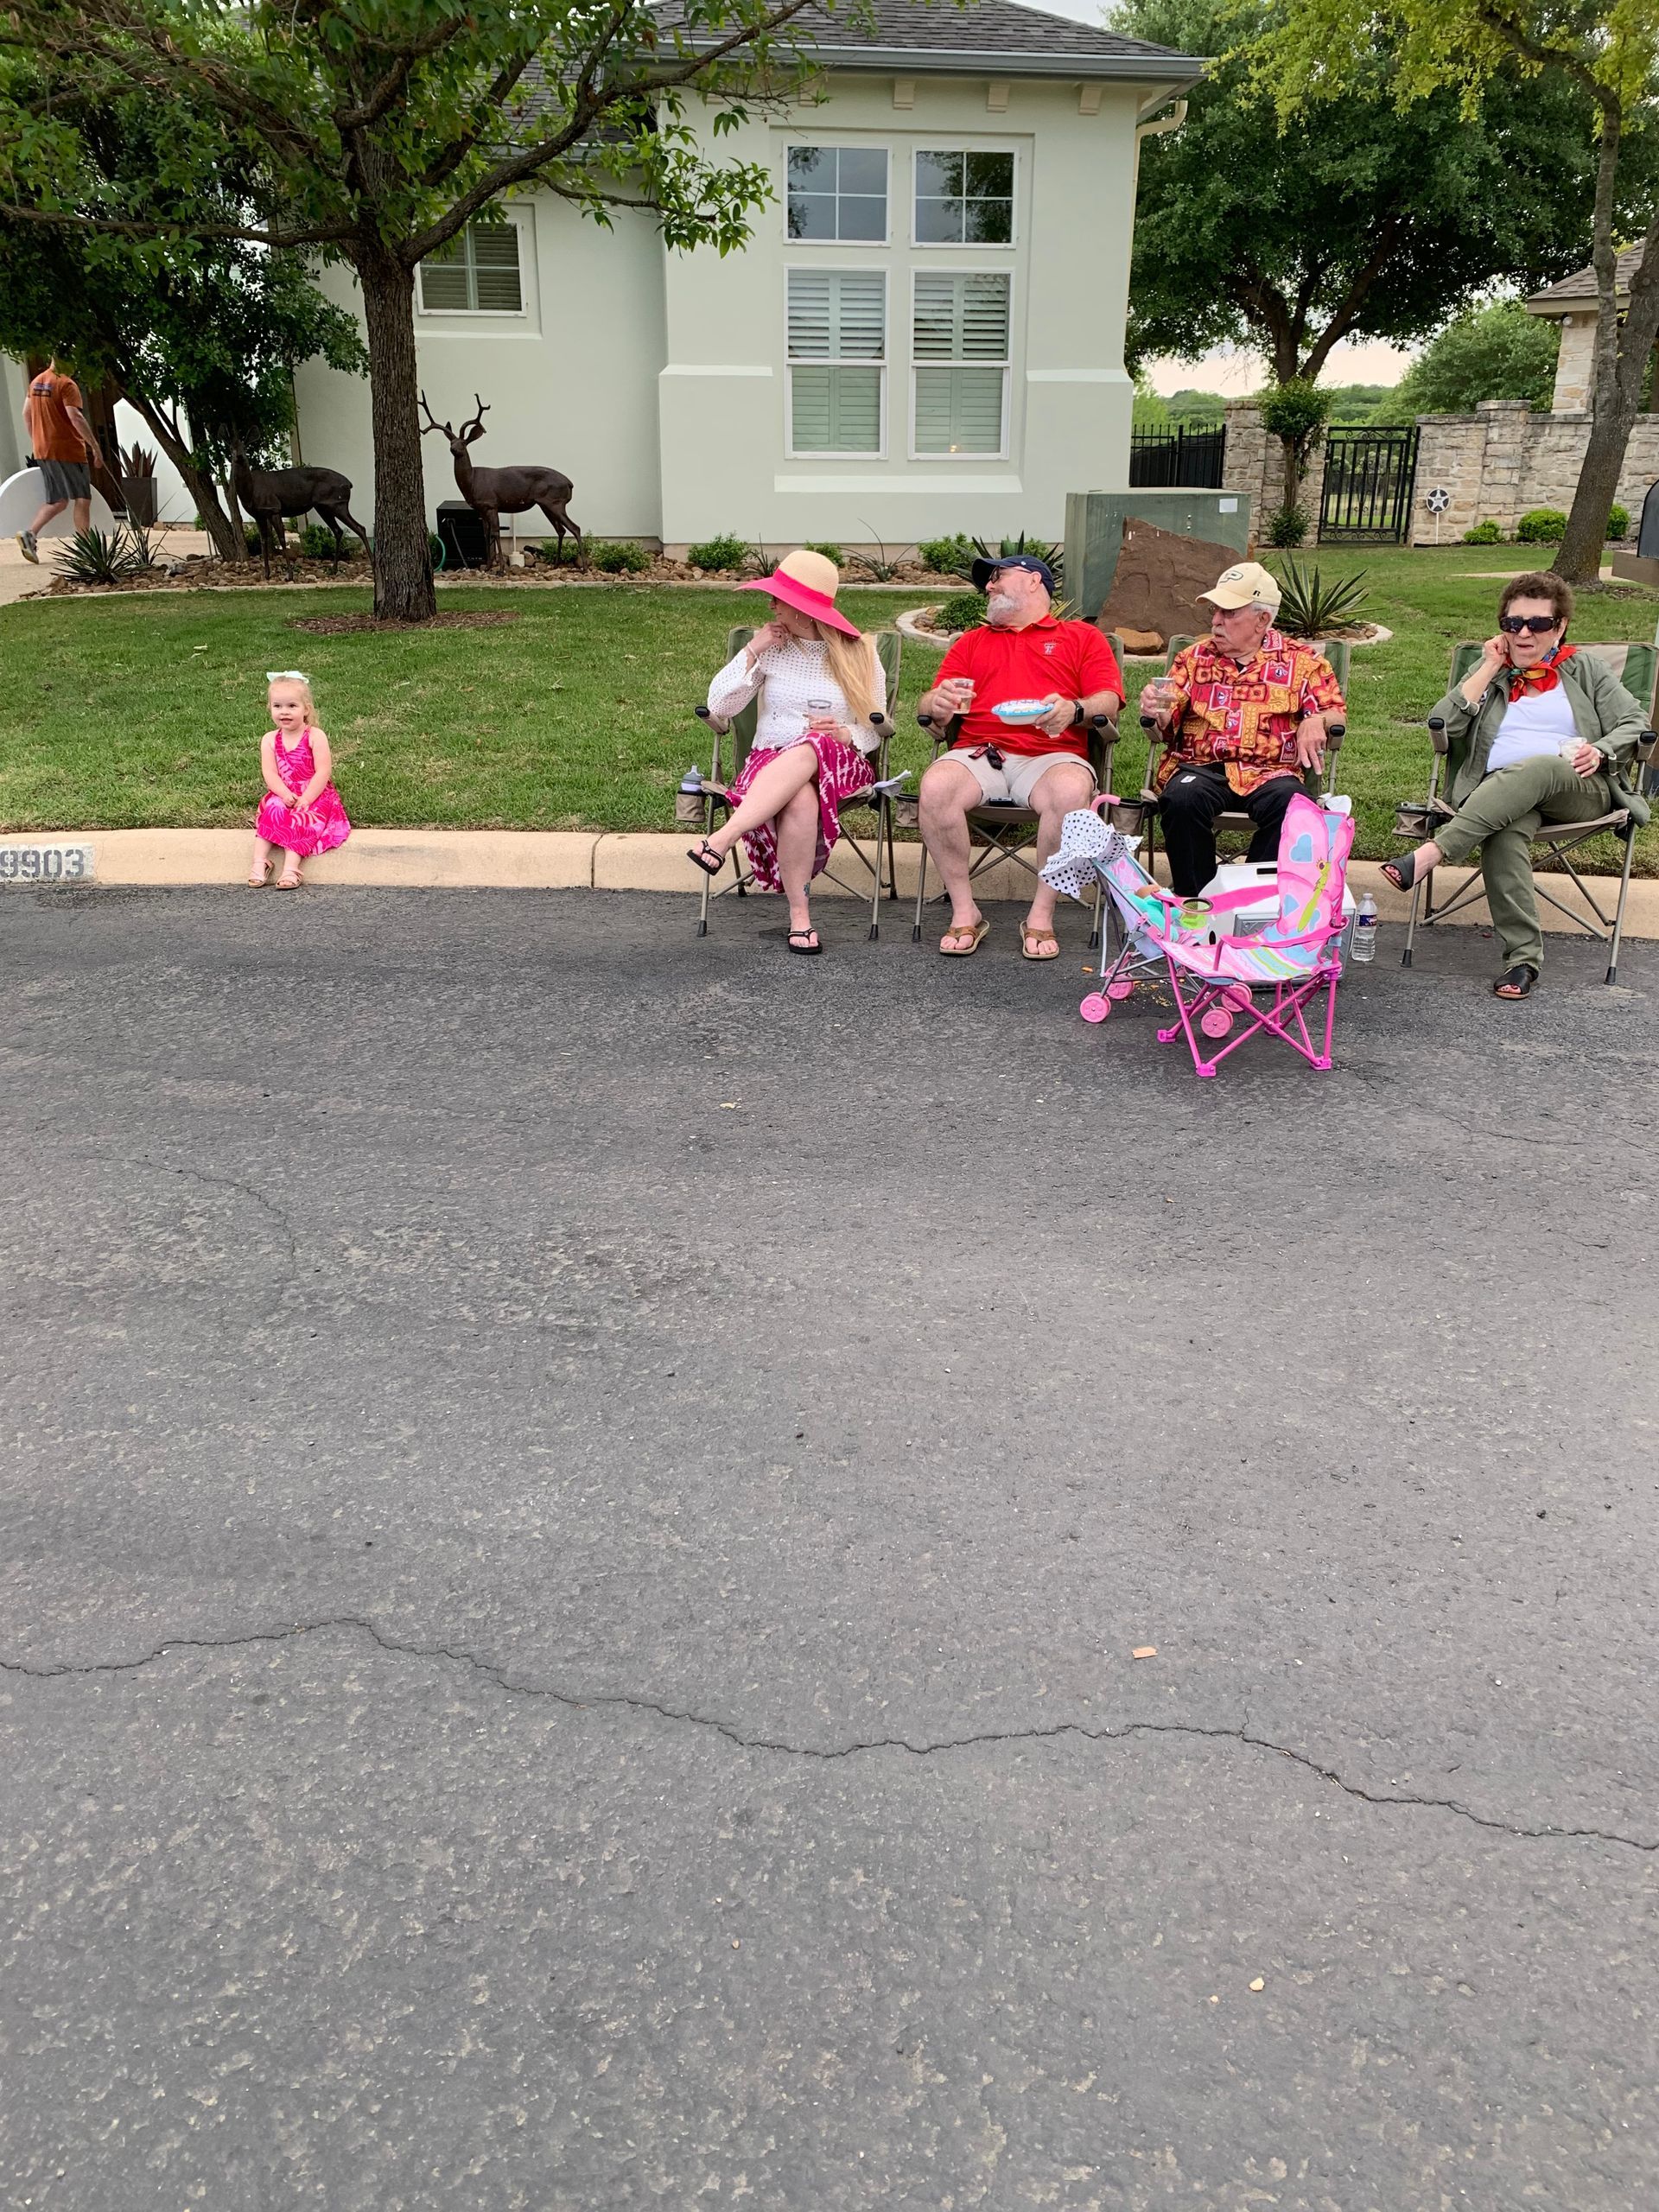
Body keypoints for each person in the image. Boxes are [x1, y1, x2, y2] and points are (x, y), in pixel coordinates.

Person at [1382, 571, 1649, 998]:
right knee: (1505, 832)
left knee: (1539, 766)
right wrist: (1489, 666)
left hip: (1578, 788)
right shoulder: (1492, 670)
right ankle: (1523, 961)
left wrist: (1600, 749)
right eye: (1513, 624)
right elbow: (1444, 726)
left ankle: (1434, 851)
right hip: (1499, 797)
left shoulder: (1586, 669)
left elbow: (1635, 721)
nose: (1524, 633)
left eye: (1538, 624)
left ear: (1559, 627)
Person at [916, 553, 1123, 959]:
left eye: (997, 577)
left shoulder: (1080, 637)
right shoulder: (972, 642)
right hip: (981, 752)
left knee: (1068, 792)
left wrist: (1073, 709)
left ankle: (1041, 916)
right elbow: (931, 700)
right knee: (936, 785)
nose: (989, 586)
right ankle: (964, 910)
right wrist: (936, 702)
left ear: (1033, 581)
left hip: (1053, 752)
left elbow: (1110, 700)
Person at [687, 550, 886, 956]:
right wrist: (753, 649)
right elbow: (720, 707)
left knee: (814, 744)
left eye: (777, 599)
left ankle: (721, 840)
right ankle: (800, 918)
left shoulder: (859, 652)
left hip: (840, 763)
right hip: (772, 764)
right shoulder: (771, 650)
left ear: (802, 610)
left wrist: (847, 735)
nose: (770, 604)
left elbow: (876, 728)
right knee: (799, 796)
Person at [1141, 560, 1345, 897]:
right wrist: (1155, 708)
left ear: (1263, 620)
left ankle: (1250, 902)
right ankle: (1198, 903)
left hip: (1272, 772)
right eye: (1216, 611)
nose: (1216, 621)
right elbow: (1166, 714)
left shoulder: (1302, 662)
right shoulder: (1194, 659)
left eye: (1229, 613)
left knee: (1293, 805)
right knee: (1181, 798)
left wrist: (1317, 719)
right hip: (1201, 766)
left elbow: (1335, 713)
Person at [250, 671, 351, 889]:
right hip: (283, 791)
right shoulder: (269, 740)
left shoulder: (315, 736)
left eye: (292, 706)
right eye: (277, 706)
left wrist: (306, 798)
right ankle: (260, 862)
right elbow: (270, 774)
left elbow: (322, 772)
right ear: (270, 708)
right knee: (274, 808)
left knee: (301, 817)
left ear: (306, 709)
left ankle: (291, 868)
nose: (284, 712)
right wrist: (284, 793)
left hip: (315, 793)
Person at [16, 358, 105, 562]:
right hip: (68, 450)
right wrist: (95, 446)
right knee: (82, 499)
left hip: (43, 449)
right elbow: (75, 417)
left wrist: (38, 439)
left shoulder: (37, 381)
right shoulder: (66, 384)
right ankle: (87, 550)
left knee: (57, 501)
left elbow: (25, 413)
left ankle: (29, 534)